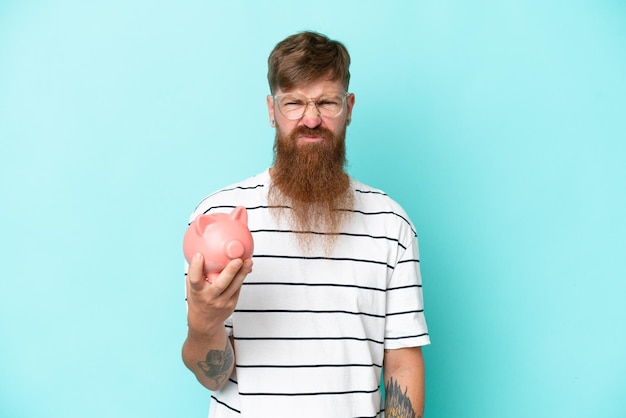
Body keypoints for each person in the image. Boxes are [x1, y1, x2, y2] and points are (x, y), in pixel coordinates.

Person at [182, 31, 430, 418]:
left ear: (348, 107)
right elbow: (213, 377)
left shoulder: (390, 224)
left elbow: (401, 362)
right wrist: (203, 323)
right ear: (271, 110)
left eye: (326, 102)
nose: (311, 119)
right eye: (294, 103)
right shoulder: (216, 218)